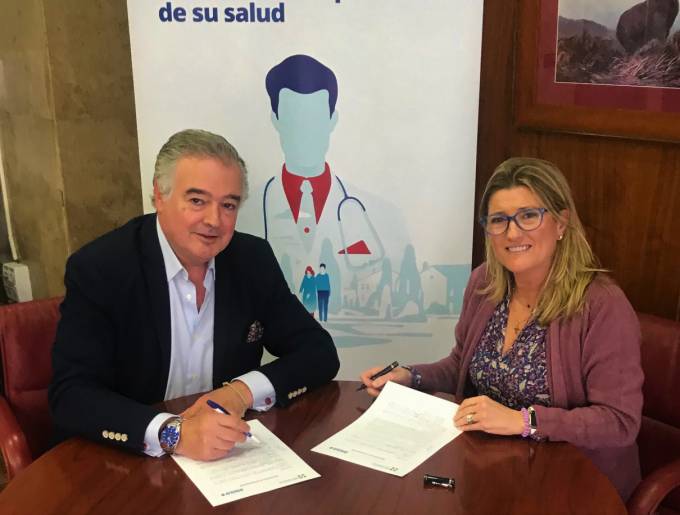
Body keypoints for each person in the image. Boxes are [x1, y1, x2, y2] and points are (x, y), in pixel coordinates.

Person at [359, 157, 643, 500]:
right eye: (499, 220)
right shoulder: (484, 284)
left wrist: (524, 421)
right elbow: (461, 366)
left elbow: (619, 422)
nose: (512, 233)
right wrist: (410, 377)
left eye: (528, 216)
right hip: (492, 469)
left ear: (561, 222)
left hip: (574, 484)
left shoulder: (601, 306)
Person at [49, 129, 339, 461]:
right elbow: (71, 395)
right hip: (126, 458)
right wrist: (173, 433)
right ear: (159, 196)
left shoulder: (252, 260)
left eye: (228, 205)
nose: (214, 220)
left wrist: (241, 392)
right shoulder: (102, 268)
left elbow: (318, 352)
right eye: (197, 201)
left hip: (223, 457)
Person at [237, 54, 411, 320]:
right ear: (276, 120)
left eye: (315, 118)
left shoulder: (384, 215)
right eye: (294, 117)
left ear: (332, 120)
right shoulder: (241, 215)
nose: (305, 131)